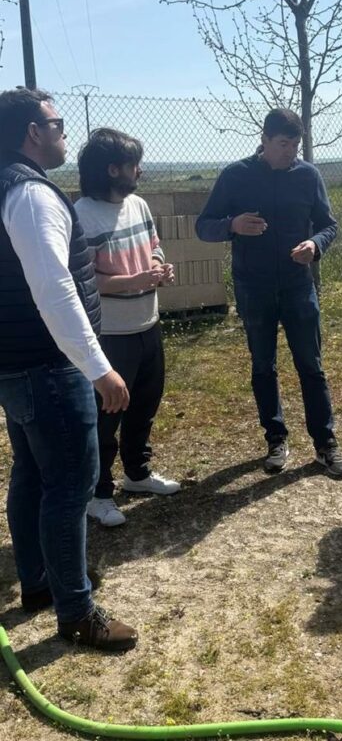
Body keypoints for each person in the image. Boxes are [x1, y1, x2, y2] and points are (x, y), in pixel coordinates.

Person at [0, 88, 137, 650]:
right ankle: (77, 612)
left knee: (32, 476)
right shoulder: (31, 196)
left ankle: (40, 583)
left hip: (17, 365)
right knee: (68, 488)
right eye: (56, 123)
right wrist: (98, 367)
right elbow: (55, 290)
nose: (63, 133)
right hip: (50, 368)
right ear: (33, 131)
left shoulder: (7, 184)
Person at [196, 108, 342, 478]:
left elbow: (329, 225)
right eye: (283, 145)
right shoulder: (236, 176)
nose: (290, 153)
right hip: (254, 287)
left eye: (296, 145)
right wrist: (232, 225)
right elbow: (204, 226)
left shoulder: (308, 176)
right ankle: (276, 438)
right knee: (263, 365)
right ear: (263, 139)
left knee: (311, 365)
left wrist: (315, 244)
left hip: (299, 286)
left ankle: (325, 443)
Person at [75, 129, 180, 527]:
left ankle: (137, 474)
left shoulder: (138, 204)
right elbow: (84, 281)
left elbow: (153, 245)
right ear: (112, 169)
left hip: (148, 324)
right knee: (107, 416)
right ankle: (98, 494)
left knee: (145, 405)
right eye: (135, 164)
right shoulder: (81, 215)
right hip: (110, 335)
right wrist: (132, 282)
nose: (141, 170)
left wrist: (158, 266)